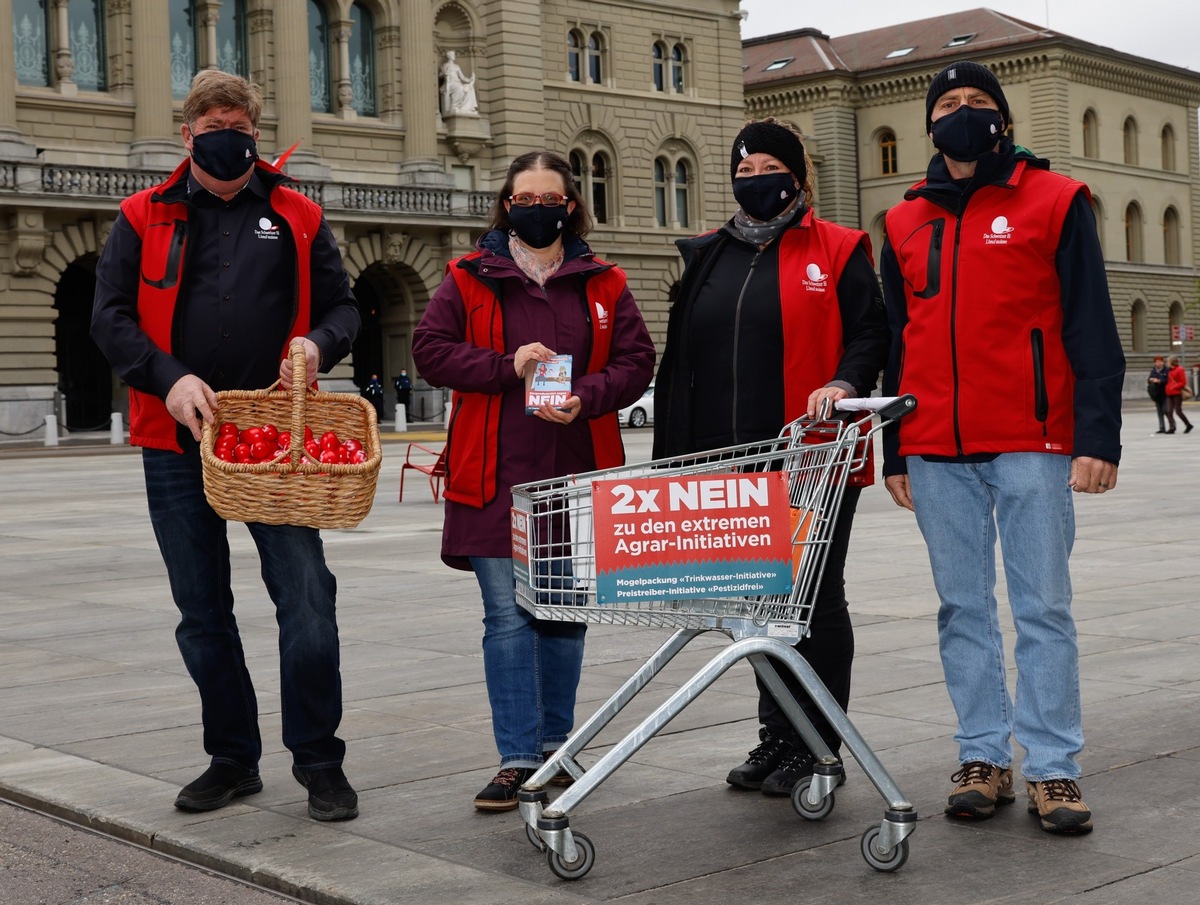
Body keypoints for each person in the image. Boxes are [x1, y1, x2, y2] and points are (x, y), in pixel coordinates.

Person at [90, 70, 362, 822]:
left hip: (274, 437)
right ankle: (232, 757)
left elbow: (345, 308)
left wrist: (316, 342)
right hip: (176, 435)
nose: (227, 132)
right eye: (212, 121)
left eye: (239, 121)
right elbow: (110, 318)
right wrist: (168, 379)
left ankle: (319, 760)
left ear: (254, 130)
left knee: (307, 596)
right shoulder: (141, 215)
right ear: (187, 134)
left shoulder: (298, 213)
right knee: (201, 609)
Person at [880, 61, 1125, 835]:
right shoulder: (902, 220)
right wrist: (893, 447)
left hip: (1034, 438)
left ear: (1005, 123)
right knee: (962, 609)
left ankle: (1054, 768)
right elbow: (896, 339)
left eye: (978, 103)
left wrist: (1098, 435)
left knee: (1043, 607)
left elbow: (1091, 320)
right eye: (947, 104)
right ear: (929, 125)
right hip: (934, 445)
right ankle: (983, 755)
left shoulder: (1056, 201)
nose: (962, 113)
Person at [412, 150, 655, 811]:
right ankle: (517, 757)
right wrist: (504, 364)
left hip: (574, 473)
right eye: (525, 197)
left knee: (563, 616)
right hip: (492, 474)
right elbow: (429, 350)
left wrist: (591, 391)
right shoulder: (468, 276)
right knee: (509, 619)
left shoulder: (604, 281)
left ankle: (556, 748)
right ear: (507, 205)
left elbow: (639, 359)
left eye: (551, 197)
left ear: (570, 206)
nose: (538, 207)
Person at [654, 117, 889, 798]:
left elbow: (871, 335)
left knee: (811, 601)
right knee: (756, 605)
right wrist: (677, 463)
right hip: (729, 462)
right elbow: (681, 361)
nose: (756, 180)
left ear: (798, 176)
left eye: (769, 168)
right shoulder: (708, 254)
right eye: (745, 170)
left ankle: (818, 745)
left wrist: (845, 383)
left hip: (810, 458)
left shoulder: (839, 249)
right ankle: (779, 735)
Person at [440, 50, 478, 116]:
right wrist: (445, 74)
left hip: (457, 83)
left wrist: (470, 80)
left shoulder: (457, 66)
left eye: (454, 54)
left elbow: (462, 77)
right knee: (459, 88)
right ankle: (454, 106)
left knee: (468, 87)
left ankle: (466, 108)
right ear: (449, 56)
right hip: (450, 84)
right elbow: (440, 75)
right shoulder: (445, 65)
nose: (454, 56)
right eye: (453, 55)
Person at [1164, 355, 1193, 434]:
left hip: (1177, 393)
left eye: (1167, 361)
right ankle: (1172, 427)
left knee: (1178, 411)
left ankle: (1188, 424)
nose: (1166, 363)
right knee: (1168, 411)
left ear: (1171, 362)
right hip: (1169, 393)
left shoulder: (1180, 369)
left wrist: (1173, 387)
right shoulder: (1168, 370)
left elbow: (1183, 382)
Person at [1148, 355, 1170, 433]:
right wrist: (1151, 379)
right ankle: (1162, 427)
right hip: (1156, 394)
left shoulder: (1166, 370)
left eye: (1160, 362)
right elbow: (1149, 379)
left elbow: (1167, 380)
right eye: (1157, 362)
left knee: (1166, 410)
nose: (1159, 363)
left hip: (1165, 393)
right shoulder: (1153, 370)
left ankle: (1171, 426)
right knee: (1159, 411)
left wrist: (1159, 381)